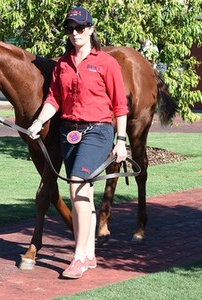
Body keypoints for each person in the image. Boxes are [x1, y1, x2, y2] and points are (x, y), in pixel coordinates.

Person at [28, 7, 129, 279]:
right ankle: (91, 253)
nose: (75, 33)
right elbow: (54, 100)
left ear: (91, 29)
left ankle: (79, 256)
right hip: (68, 132)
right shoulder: (62, 63)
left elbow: (120, 106)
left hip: (98, 132)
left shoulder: (107, 63)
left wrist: (121, 141)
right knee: (84, 191)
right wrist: (38, 123)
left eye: (80, 28)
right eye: (70, 29)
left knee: (77, 186)